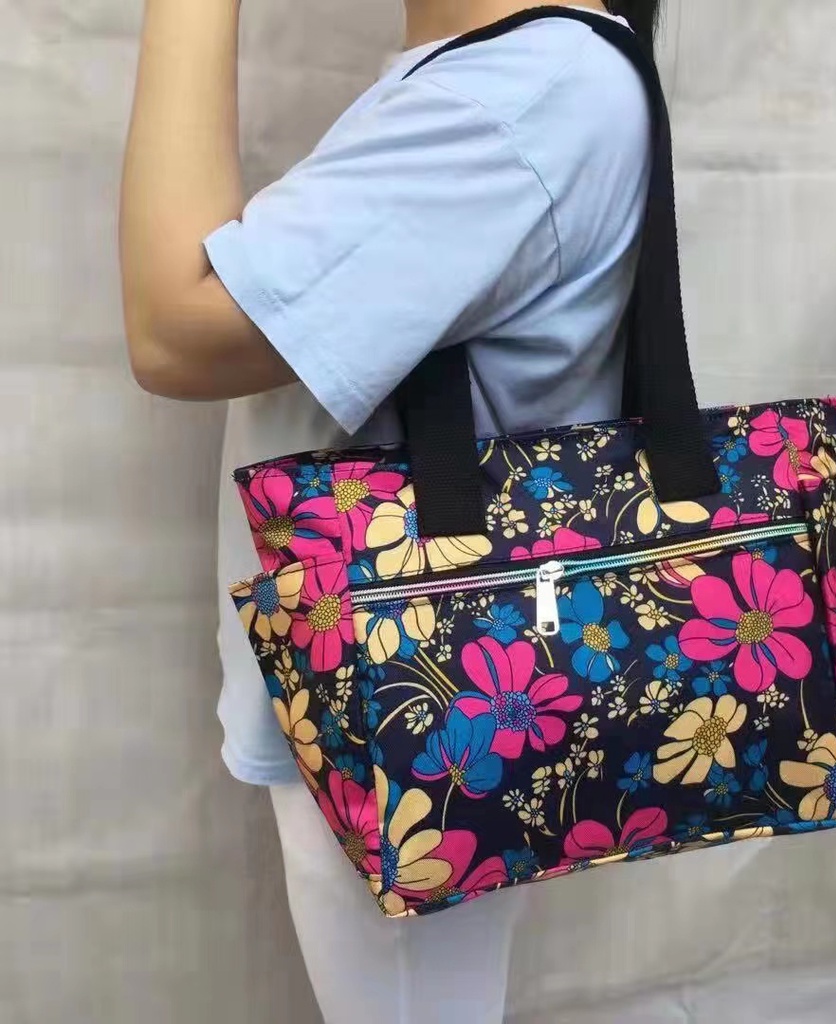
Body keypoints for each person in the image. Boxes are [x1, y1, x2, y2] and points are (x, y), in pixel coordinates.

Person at [120, 1, 659, 1020]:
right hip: (394, 686)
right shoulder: (508, 74)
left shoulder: (521, 93)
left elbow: (173, 329)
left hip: (403, 719)